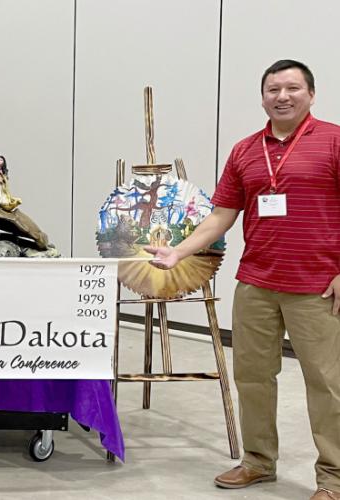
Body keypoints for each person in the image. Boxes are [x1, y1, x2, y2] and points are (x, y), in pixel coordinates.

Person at [146, 59, 340, 500]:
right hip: (256, 283)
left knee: (327, 384)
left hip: (317, 288)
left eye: (292, 88)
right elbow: (221, 216)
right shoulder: (245, 150)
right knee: (253, 376)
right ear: (263, 97)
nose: (282, 96)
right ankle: (257, 461)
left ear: (311, 94)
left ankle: (333, 478)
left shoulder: (333, 141)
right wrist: (178, 250)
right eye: (273, 89)